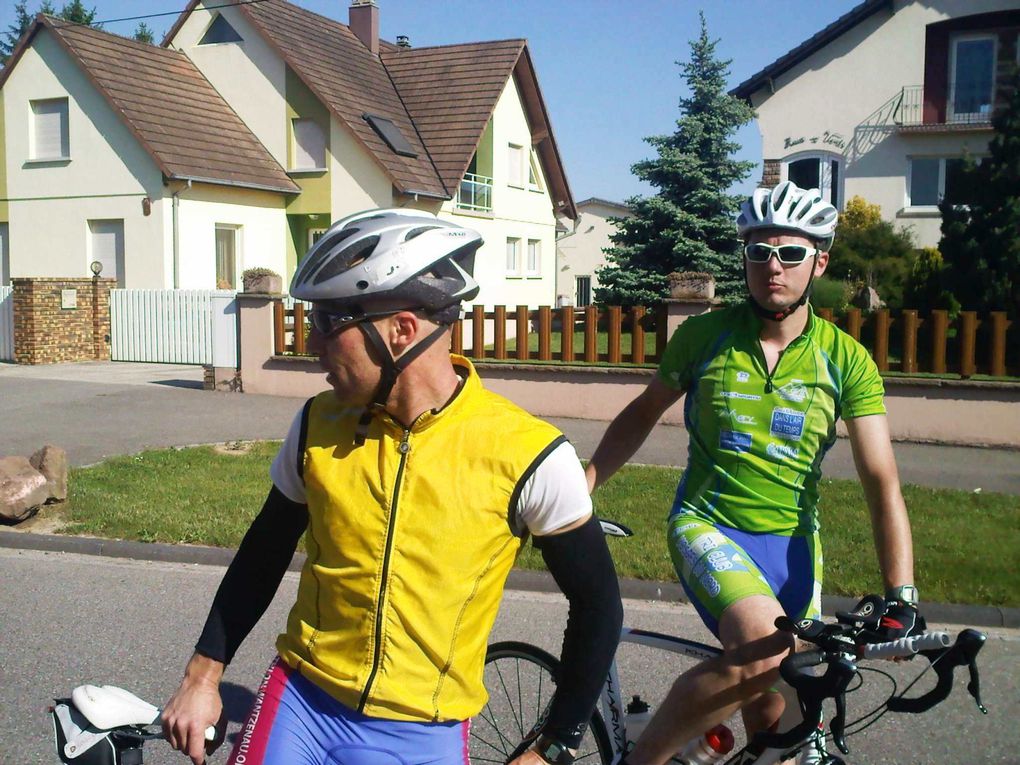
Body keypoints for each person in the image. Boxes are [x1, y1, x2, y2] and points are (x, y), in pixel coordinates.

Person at [162, 208, 623, 765]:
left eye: (328, 323)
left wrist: (552, 748)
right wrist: (202, 676)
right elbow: (264, 550)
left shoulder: (530, 454)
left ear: (401, 330)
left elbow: (598, 604)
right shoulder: (316, 423)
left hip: (422, 732)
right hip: (301, 702)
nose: (311, 343)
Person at [584, 181, 924, 765]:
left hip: (792, 545)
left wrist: (903, 595)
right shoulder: (704, 336)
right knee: (767, 655)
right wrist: (580, 489)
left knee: (783, 728)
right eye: (759, 251)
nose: (773, 266)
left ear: (819, 261)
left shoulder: (844, 359)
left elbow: (880, 480)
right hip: (708, 526)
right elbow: (641, 415)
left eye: (790, 253)